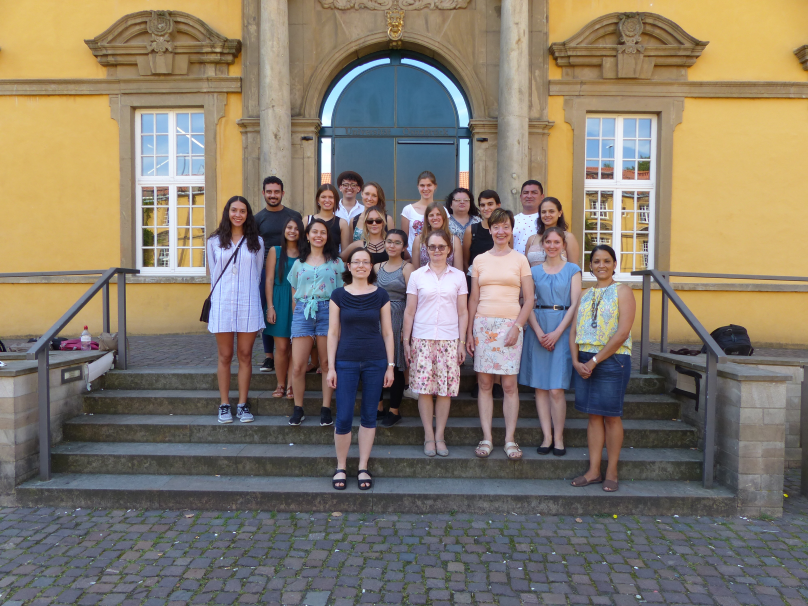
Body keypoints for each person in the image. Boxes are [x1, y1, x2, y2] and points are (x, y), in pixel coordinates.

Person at [466, 209, 534, 460]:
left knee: (509, 385)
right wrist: (470, 333)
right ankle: (487, 437)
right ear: (490, 229)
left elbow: (528, 299)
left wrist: (517, 327)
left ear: (511, 229)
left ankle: (509, 439)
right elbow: (473, 298)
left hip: (510, 326)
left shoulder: (520, 259)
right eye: (496, 227)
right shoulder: (480, 260)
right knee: (484, 384)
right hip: (483, 325)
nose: (501, 231)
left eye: (505, 226)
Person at [327, 248, 395, 491]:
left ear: (371, 267)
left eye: (366, 262)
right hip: (345, 361)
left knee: (369, 415)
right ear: (349, 266)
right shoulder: (338, 295)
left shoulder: (381, 295)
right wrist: (331, 367)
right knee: (343, 416)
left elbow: (387, 333)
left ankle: (363, 466)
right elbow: (333, 332)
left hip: (375, 361)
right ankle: (341, 466)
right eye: (356, 262)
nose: (361, 266)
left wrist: (390, 366)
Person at [570, 245, 635, 493]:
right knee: (593, 416)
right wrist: (577, 361)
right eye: (596, 261)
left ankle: (612, 471)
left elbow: (622, 333)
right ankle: (594, 471)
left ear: (614, 264)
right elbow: (574, 331)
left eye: (607, 261)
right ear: (590, 266)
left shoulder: (623, 291)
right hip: (585, 360)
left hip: (612, 360)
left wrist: (594, 361)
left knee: (611, 416)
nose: (601, 265)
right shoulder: (585, 294)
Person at [518, 227, 582, 457]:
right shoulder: (533, 271)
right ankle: (546, 436)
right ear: (542, 244)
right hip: (538, 327)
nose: (553, 246)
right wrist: (537, 330)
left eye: (557, 242)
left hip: (562, 329)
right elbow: (527, 302)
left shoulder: (573, 270)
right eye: (548, 242)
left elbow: (575, 304)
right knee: (540, 389)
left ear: (563, 244)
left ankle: (559, 437)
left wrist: (556, 333)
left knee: (556, 389)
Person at [403, 230, 468, 458]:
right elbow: (409, 311)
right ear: (426, 250)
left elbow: (463, 312)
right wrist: (406, 341)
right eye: (432, 247)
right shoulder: (417, 275)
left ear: (449, 249)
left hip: (449, 339)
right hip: (422, 337)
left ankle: (440, 435)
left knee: (444, 390)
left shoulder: (458, 276)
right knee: (423, 389)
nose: (437, 251)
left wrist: (462, 342)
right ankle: (428, 436)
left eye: (441, 246)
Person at [206, 196, 265, 425]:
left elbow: (257, 274)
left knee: (245, 355)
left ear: (248, 214)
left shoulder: (257, 242)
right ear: (227, 212)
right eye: (234, 210)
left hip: (248, 303)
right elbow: (213, 274)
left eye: (242, 211)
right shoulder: (214, 241)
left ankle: (242, 404)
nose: (238, 214)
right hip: (222, 302)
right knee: (225, 355)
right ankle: (224, 404)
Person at [287, 218, 345, 427]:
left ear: (327, 236)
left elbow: (340, 293)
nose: (318, 235)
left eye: (323, 232)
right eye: (314, 232)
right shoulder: (298, 263)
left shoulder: (336, 263)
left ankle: (326, 408)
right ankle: (298, 408)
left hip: (328, 311)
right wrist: (297, 316)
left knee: (327, 363)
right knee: (298, 366)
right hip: (303, 312)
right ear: (308, 235)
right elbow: (294, 292)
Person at [255, 176, 302, 373]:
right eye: (269, 191)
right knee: (268, 309)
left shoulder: (293, 215)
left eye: (276, 192)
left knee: (293, 311)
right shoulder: (258, 218)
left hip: (293, 265)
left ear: (282, 193)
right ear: (264, 193)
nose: (273, 195)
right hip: (268, 269)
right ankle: (269, 356)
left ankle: (294, 353)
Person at [374, 229, 414, 427]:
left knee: (396, 365)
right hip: (377, 319)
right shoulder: (376, 267)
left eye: (397, 242)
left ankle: (394, 410)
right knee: (376, 364)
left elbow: (413, 300)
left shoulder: (408, 268)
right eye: (389, 241)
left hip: (398, 318)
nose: (392, 245)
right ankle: (379, 406)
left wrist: (407, 331)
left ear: (404, 247)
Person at [264, 215, 304, 400]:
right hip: (279, 300)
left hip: (299, 301)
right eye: (289, 227)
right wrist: (270, 306)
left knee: (294, 347)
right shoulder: (276, 251)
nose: (292, 231)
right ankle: (280, 383)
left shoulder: (305, 253)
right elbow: (269, 279)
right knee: (281, 348)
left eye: (296, 228)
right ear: (284, 230)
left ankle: (290, 385)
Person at [524, 197, 581, 266]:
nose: (547, 215)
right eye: (543, 212)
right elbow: (526, 269)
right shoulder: (531, 239)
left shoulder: (568, 237)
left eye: (551, 211)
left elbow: (574, 269)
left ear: (560, 213)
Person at [411, 202, 463, 271]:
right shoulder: (419, 240)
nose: (435, 218)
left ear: (444, 217)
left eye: (438, 214)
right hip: (424, 280)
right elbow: (415, 271)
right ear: (427, 219)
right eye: (431, 215)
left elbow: (459, 271)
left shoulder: (454, 240)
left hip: (448, 280)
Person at [306, 184, 350, 254]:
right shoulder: (307, 220)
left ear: (335, 200)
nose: (327, 200)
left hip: (332, 263)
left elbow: (345, 253)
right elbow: (301, 246)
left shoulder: (342, 223)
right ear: (318, 200)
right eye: (323, 197)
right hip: (309, 263)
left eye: (331, 197)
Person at [401, 170, 436, 257]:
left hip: (435, 257)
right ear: (418, 187)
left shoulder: (442, 211)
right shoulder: (408, 210)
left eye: (429, 185)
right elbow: (403, 239)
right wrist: (409, 259)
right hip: (413, 258)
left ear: (435, 186)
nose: (425, 189)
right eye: (422, 185)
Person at [512, 180, 544, 257]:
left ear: (542, 197)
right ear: (520, 197)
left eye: (534, 193)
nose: (529, 196)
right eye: (526, 193)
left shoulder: (546, 219)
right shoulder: (511, 220)